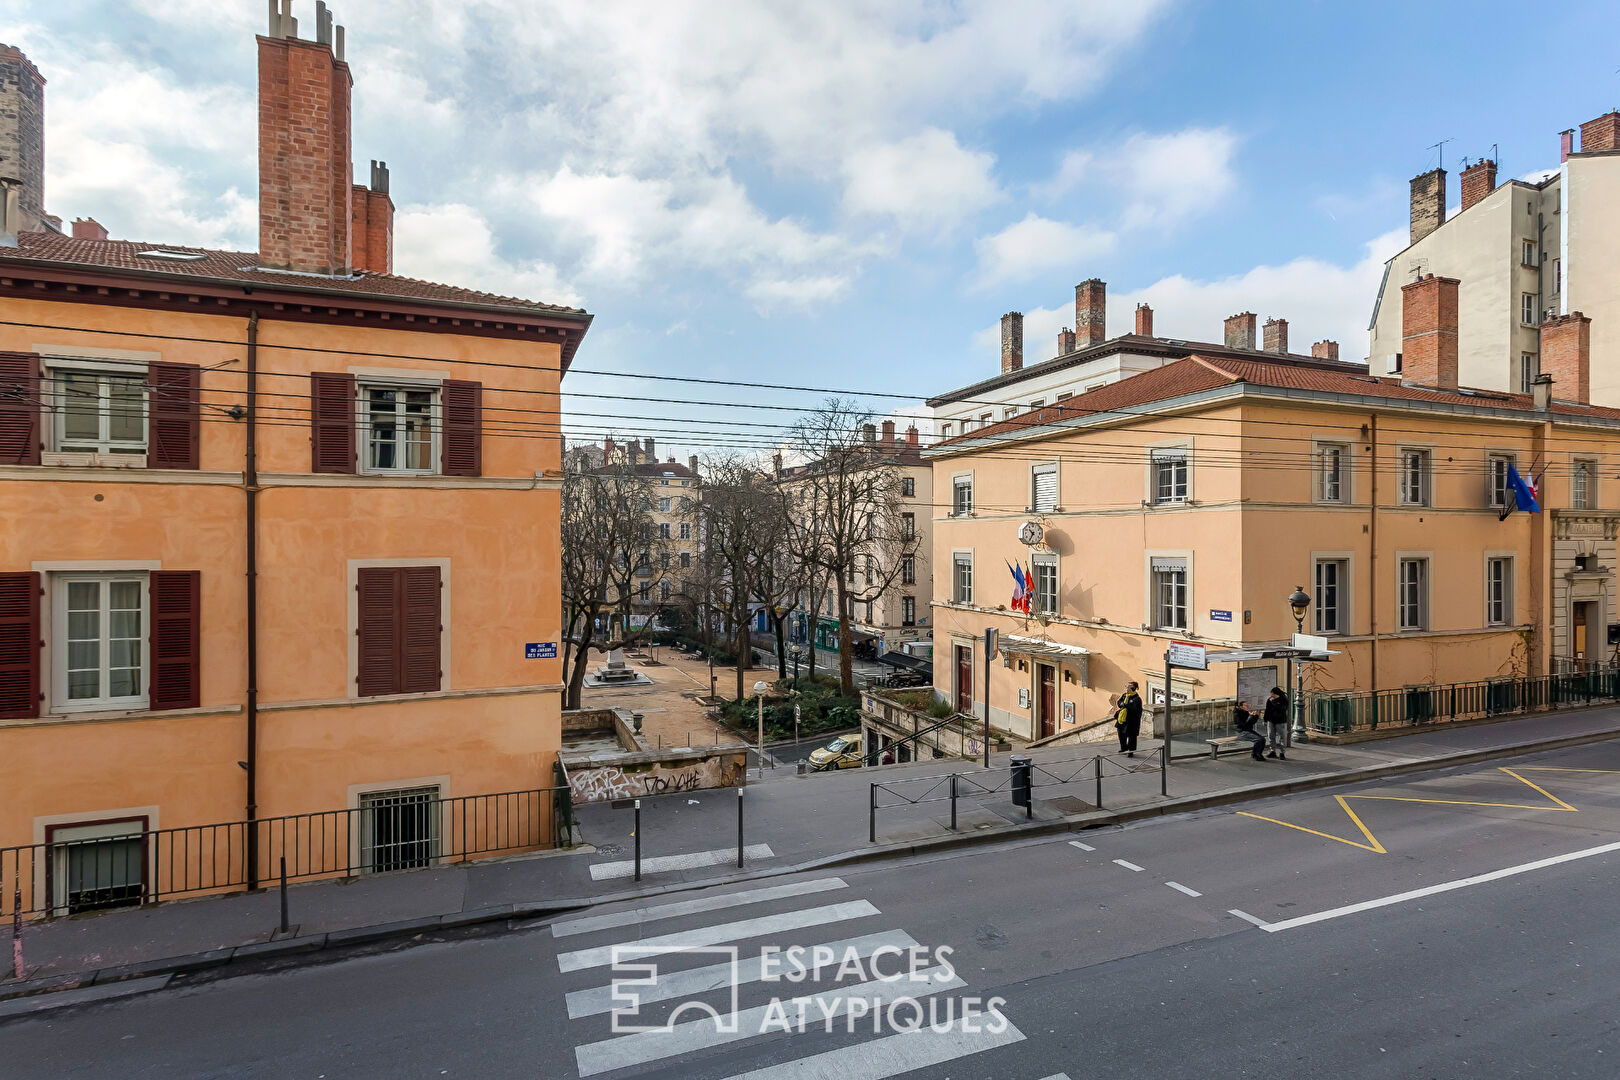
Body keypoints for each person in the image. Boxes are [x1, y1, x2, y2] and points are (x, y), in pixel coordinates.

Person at [1114, 682, 1143, 757]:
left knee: (1131, 737)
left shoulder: (1137, 699)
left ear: (1132, 689)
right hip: (1122, 719)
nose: (1125, 688)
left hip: (1131, 722)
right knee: (1121, 734)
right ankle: (1123, 748)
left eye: (1127, 687)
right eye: (1126, 686)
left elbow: (1135, 710)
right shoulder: (1124, 695)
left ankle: (1131, 751)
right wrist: (1122, 704)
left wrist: (1126, 705)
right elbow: (1119, 702)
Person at [1263, 686, 1290, 760]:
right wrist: (1265, 719)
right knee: (1271, 736)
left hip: (1281, 721)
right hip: (1271, 720)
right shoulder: (1270, 700)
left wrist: (1274, 702)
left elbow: (1282, 709)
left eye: (1272, 694)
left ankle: (1282, 753)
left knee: (1282, 737)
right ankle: (1272, 751)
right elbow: (1267, 710)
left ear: (1276, 694)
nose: (1271, 695)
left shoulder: (1284, 700)